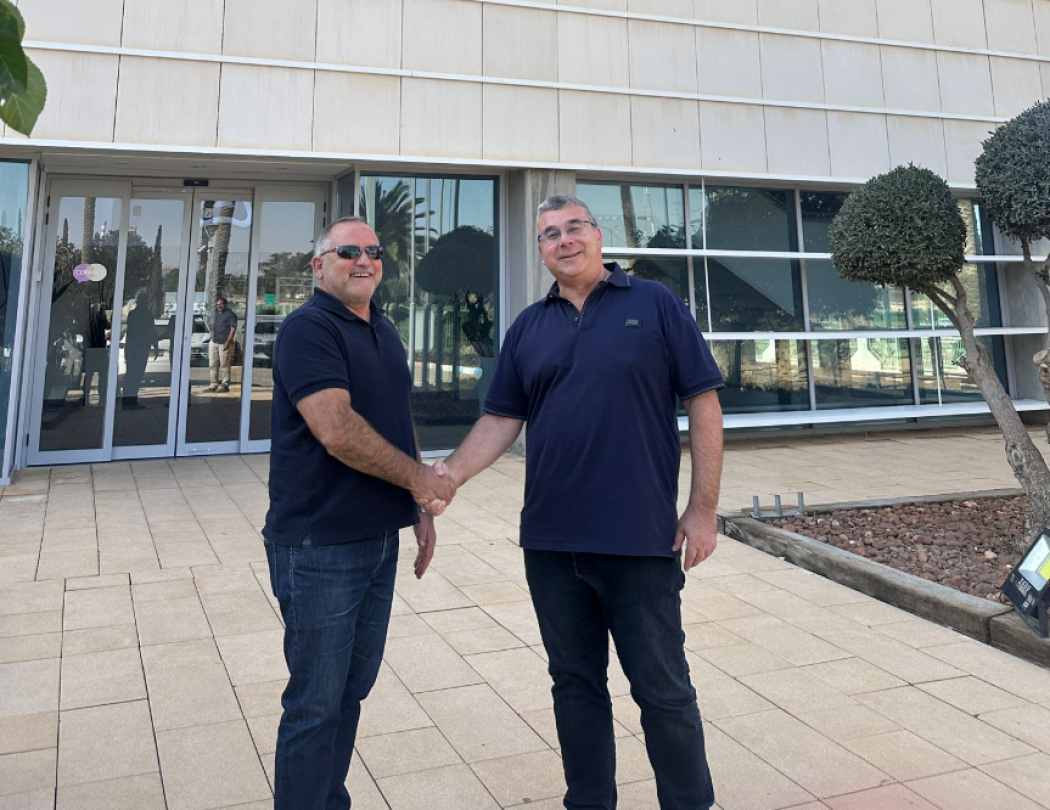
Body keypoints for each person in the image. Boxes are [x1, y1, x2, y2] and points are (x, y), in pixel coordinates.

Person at [437, 195, 725, 810]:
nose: (564, 240)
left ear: (597, 235)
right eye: (550, 234)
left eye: (574, 228)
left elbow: (704, 402)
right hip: (550, 544)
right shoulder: (528, 326)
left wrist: (702, 509)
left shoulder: (655, 303)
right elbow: (501, 419)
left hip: (638, 539)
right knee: (574, 686)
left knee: (663, 691)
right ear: (540, 250)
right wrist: (450, 476)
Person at [262, 216, 457, 810]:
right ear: (318, 265)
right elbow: (337, 430)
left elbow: (396, 417)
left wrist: (419, 506)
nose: (365, 260)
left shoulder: (384, 327)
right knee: (315, 705)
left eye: (373, 251)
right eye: (348, 252)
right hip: (320, 546)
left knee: (351, 690)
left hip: (378, 539)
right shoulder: (308, 329)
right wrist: (421, 479)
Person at [121, 291, 158, 409]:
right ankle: (131, 399)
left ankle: (127, 398)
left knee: (130, 373)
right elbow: (151, 331)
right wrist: (155, 346)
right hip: (141, 348)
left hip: (131, 348)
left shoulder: (132, 315)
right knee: (137, 374)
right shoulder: (147, 314)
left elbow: (129, 332)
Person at [205, 295, 236, 392]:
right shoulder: (216, 314)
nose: (219, 306)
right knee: (212, 364)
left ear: (225, 305)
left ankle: (225, 384)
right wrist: (211, 337)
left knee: (224, 364)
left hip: (224, 343)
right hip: (214, 342)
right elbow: (213, 326)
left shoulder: (230, 314)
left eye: (221, 304)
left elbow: (233, 329)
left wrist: (228, 342)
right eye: (217, 304)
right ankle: (213, 384)